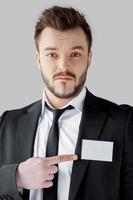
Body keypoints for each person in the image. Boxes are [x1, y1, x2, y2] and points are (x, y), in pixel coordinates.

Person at [0, 5, 133, 200]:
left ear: (89, 58)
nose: (63, 66)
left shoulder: (123, 122)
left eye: (75, 54)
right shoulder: (8, 123)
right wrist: (15, 176)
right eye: (52, 54)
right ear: (38, 60)